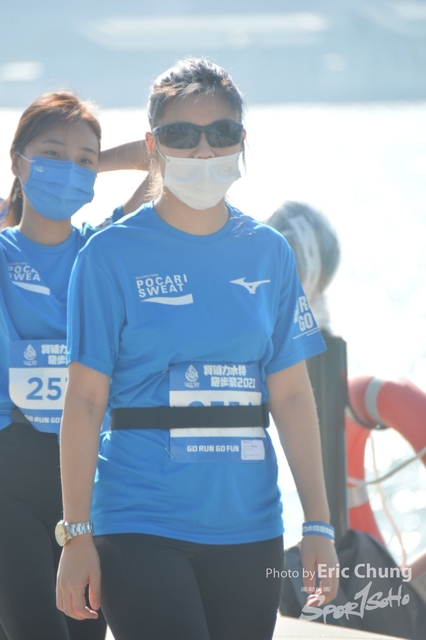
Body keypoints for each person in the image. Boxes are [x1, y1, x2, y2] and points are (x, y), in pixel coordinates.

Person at [56, 58, 339, 640]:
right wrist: (76, 535)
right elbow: (83, 402)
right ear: (153, 146)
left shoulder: (270, 253)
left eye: (221, 133)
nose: (204, 150)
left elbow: (291, 396)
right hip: (139, 519)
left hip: (251, 524)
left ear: (242, 140)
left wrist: (319, 524)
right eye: (182, 134)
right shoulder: (106, 256)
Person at [0, 92, 149, 640]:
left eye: (82, 160)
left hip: (91, 481)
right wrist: (60, 163)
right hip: (9, 472)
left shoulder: (102, 249)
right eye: (50, 154)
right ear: (17, 160)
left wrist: (87, 164)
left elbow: (162, 161)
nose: (67, 169)